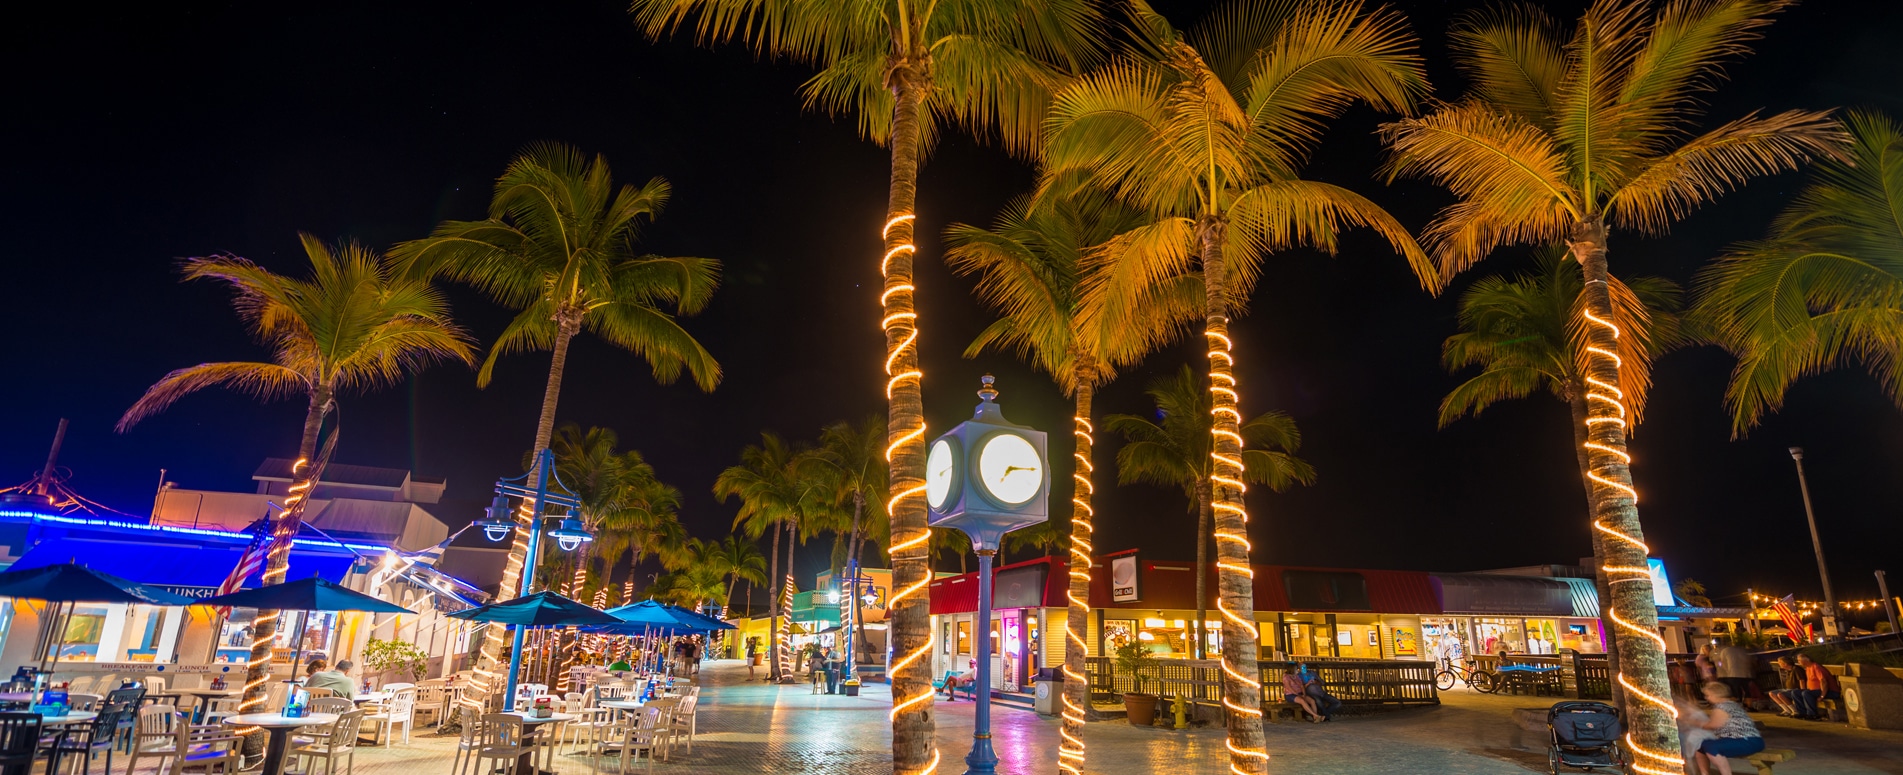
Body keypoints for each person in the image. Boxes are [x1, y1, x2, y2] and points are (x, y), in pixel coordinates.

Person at [1689, 682, 1765, 775]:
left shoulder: (1723, 706)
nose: (1706, 698)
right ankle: (1704, 773)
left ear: (1716, 694)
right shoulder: (1730, 704)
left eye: (1708, 695)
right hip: (1743, 740)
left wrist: (1697, 723)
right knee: (1700, 747)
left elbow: (1714, 724)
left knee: (1711, 747)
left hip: (1747, 741)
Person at [1714, 642, 1755, 706]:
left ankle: (1736, 706)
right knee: (1747, 691)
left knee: (1734, 692)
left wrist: (1727, 670)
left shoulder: (1725, 651)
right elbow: (1751, 661)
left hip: (1733, 674)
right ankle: (1749, 705)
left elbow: (1722, 663)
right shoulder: (1744, 650)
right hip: (1746, 674)